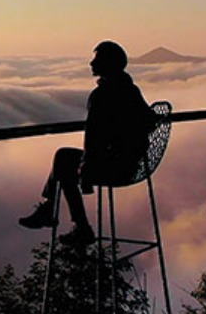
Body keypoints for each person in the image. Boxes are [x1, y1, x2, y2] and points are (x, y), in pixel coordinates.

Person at [19, 41, 155, 247]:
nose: (91, 63)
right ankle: (52, 210)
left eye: (97, 59)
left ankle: (78, 226)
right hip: (132, 164)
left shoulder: (102, 95)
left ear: (108, 64)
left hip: (114, 167)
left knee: (63, 159)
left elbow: (94, 137)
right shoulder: (131, 89)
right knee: (63, 157)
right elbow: (150, 121)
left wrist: (87, 167)